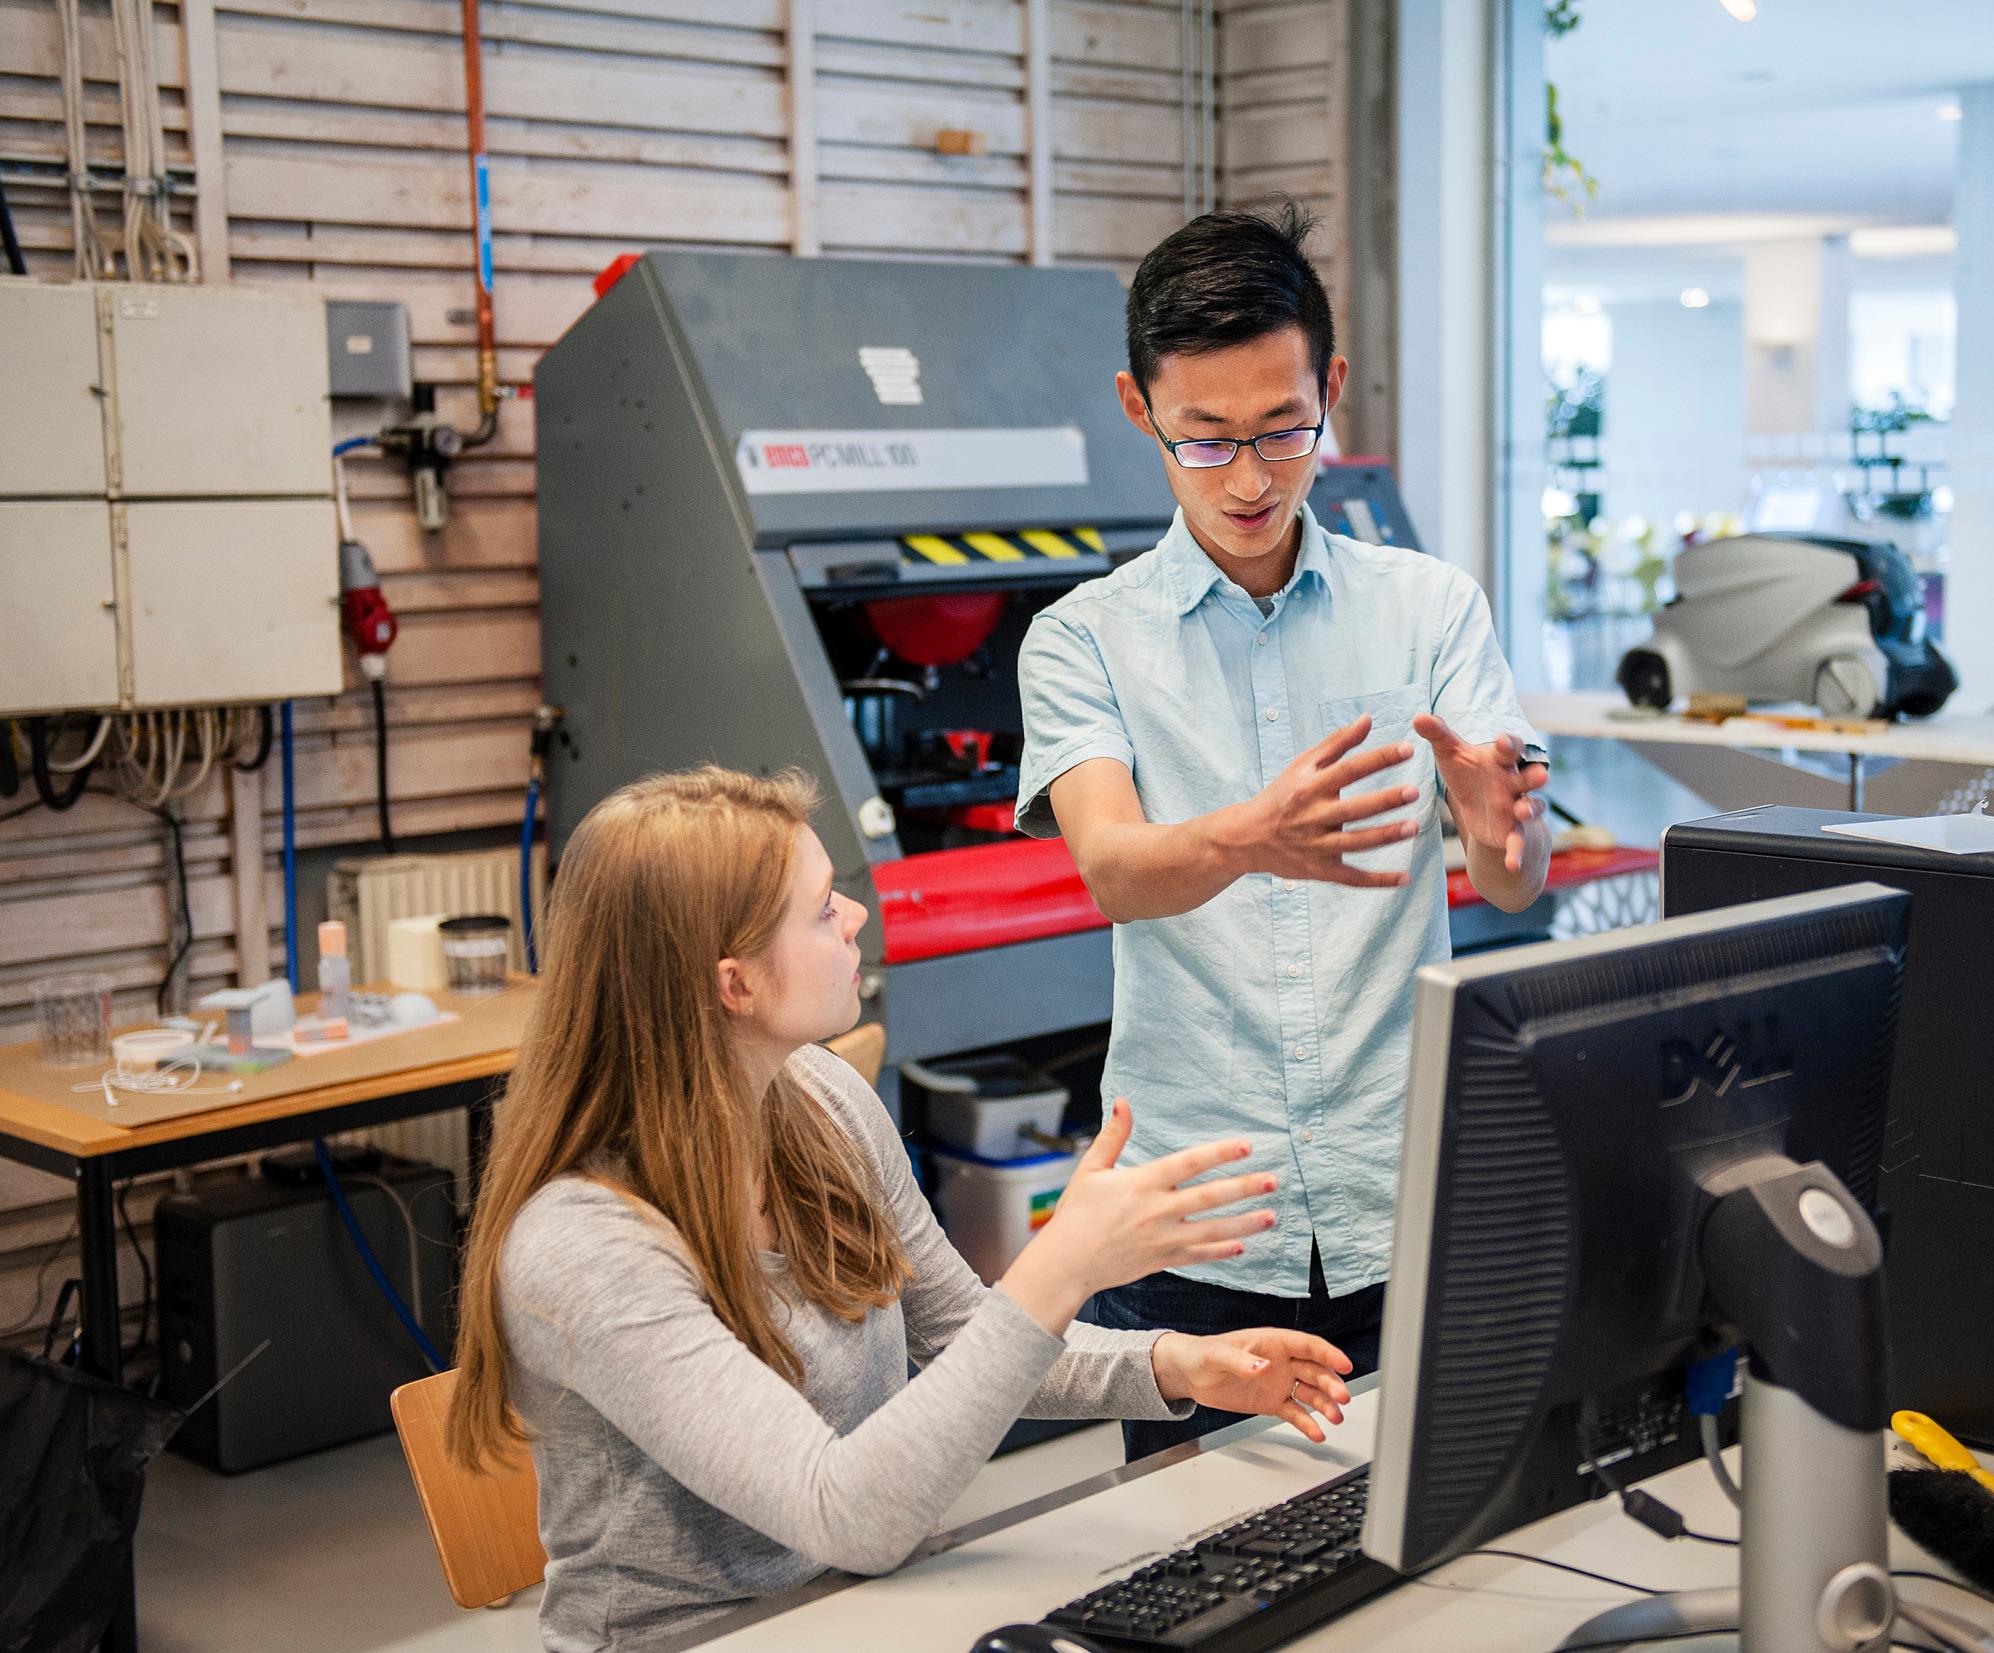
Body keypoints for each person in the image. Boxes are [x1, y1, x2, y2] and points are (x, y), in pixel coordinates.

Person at [443, 765, 1354, 1653]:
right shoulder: (583, 1246)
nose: (857, 917)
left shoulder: (823, 1100)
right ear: (736, 985)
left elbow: (965, 1339)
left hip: (874, 1609)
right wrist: (1062, 1264)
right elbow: (847, 1513)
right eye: (821, 906)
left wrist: (1180, 1363)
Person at [1016, 204, 1550, 1460]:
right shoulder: (1083, 637)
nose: (1250, 479)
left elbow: (1511, 884)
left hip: (1403, 1186)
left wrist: (1497, 834)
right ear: (1138, 407)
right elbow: (1111, 872)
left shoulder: (1428, 609)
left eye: (1281, 430)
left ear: (1332, 392)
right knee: (1193, 1570)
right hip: (1194, 1222)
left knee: (1432, 1554)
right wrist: (1248, 837)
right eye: (1205, 440)